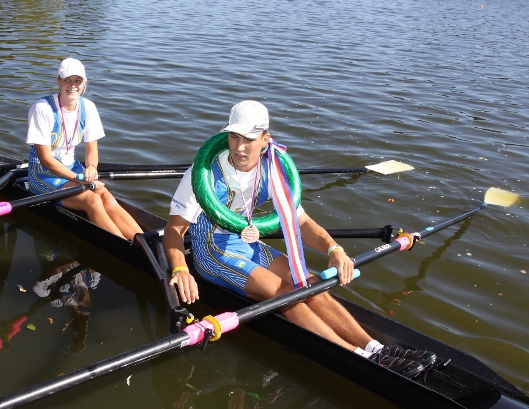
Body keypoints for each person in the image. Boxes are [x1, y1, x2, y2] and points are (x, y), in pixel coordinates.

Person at [163, 100, 435, 378]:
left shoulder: (272, 169)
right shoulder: (203, 173)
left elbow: (301, 222)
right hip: (211, 250)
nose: (240, 147)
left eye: (249, 139)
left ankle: (376, 348)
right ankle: (358, 357)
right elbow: (174, 230)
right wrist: (180, 268)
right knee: (285, 293)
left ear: (265, 139)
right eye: (234, 137)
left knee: (309, 282)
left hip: (246, 244)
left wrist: (334, 249)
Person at [26, 57, 142, 240]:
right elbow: (46, 160)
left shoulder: (88, 107)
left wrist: (91, 168)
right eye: (67, 80)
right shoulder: (42, 109)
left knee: (105, 195)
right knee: (92, 199)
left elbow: (92, 150)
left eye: (78, 80)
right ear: (58, 81)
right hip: (43, 173)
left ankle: (145, 242)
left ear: (84, 83)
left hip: (73, 168)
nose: (73, 85)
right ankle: (127, 249)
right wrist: (80, 179)